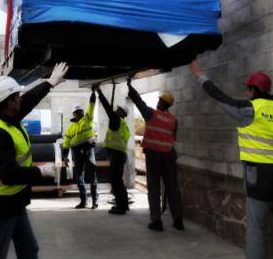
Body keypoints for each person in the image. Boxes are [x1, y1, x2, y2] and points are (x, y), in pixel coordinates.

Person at [189, 60, 273, 259]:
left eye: (248, 90)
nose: (247, 94)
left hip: (260, 176)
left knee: (257, 229)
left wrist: (200, 75)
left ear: (253, 90)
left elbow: (219, 97)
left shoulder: (250, 109)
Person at [0, 63, 68, 259]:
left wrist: (49, 83)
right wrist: (41, 172)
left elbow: (27, 101)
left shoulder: (4, 115)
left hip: (15, 200)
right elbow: (9, 175)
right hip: (3, 204)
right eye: (17, 96)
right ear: (9, 102)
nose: (20, 98)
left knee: (29, 250)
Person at [126, 77, 183, 231]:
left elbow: (139, 103)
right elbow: (172, 138)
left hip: (154, 157)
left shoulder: (152, 114)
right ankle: (178, 220)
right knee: (173, 188)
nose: (158, 102)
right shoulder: (174, 120)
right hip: (169, 156)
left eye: (160, 100)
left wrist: (130, 88)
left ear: (162, 103)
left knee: (154, 188)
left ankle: (156, 221)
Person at [95, 83, 131, 214]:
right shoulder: (123, 124)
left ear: (121, 112)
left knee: (115, 181)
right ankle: (124, 205)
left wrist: (99, 93)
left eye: (117, 110)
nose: (115, 111)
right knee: (118, 181)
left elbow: (107, 108)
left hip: (117, 155)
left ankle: (121, 207)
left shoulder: (116, 120)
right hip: (120, 155)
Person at [63, 91, 98, 209]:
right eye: (77, 112)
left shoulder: (87, 119)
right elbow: (66, 143)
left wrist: (93, 94)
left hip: (89, 150)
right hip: (77, 153)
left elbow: (92, 106)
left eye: (80, 111)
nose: (79, 113)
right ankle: (84, 201)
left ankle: (95, 201)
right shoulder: (70, 128)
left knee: (92, 175)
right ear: (74, 114)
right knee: (79, 178)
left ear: (83, 112)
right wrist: (65, 156)